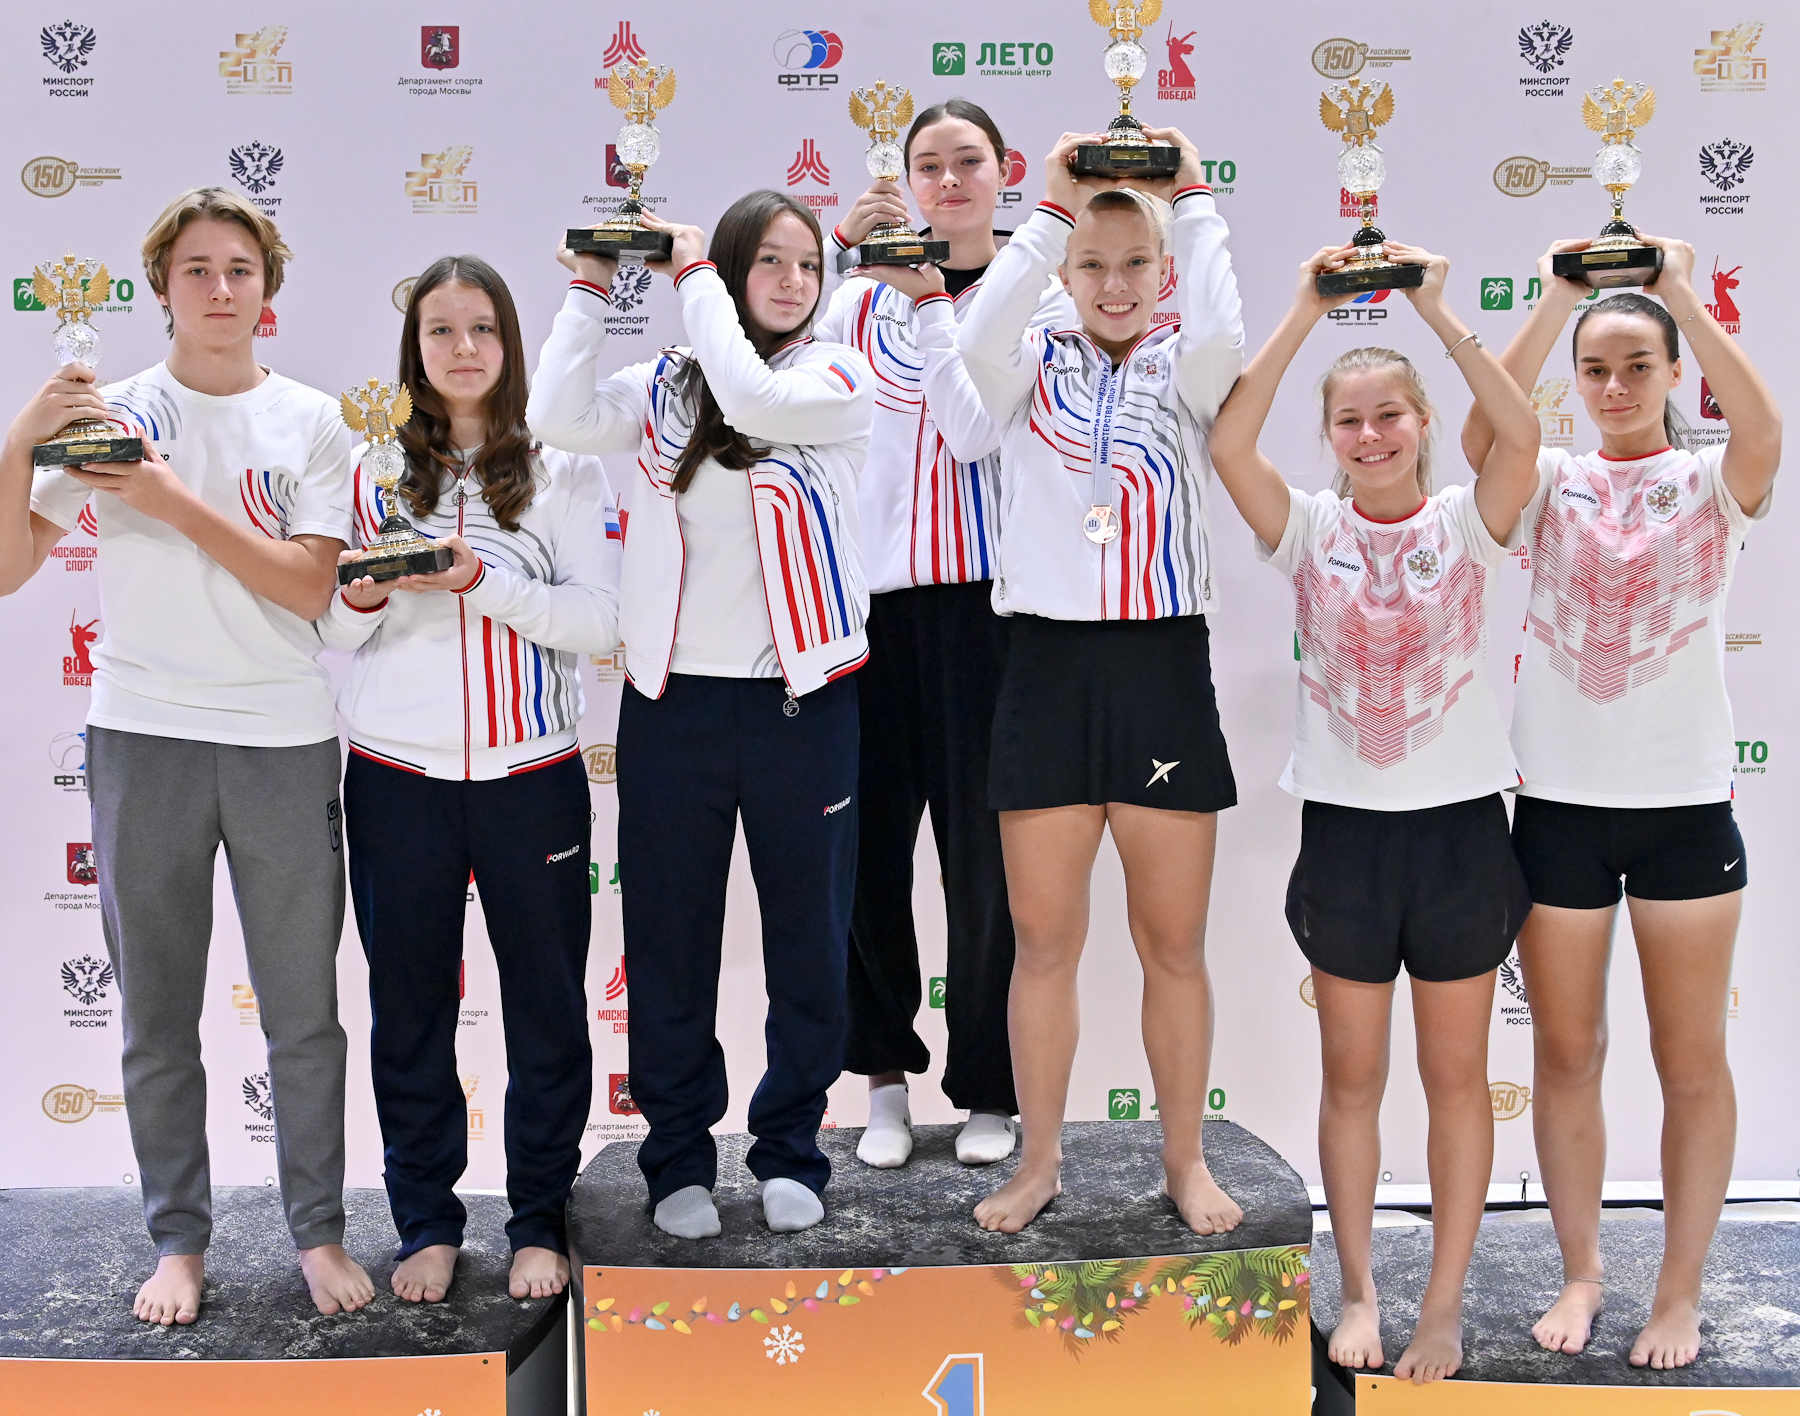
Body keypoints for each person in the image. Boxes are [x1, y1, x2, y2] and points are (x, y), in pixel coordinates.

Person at [0, 188, 372, 1323]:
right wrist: (19, 441)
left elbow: (308, 588)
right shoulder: (109, 413)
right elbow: (9, 569)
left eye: (240, 270)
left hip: (280, 739)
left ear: (268, 289)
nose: (220, 289)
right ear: (161, 286)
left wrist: (166, 497)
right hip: (142, 735)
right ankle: (178, 1242)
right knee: (156, 1016)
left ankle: (317, 1231)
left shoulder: (313, 420)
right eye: (198, 270)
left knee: (303, 1015)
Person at [1209, 244, 1542, 1383]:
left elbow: (1522, 437)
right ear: (1331, 436)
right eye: (1348, 421)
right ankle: (1356, 1287)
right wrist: (1309, 306)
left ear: (1423, 423)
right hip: (1347, 839)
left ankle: (1441, 1306)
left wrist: (1439, 310)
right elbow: (1229, 445)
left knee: (1455, 1080)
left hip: (1460, 835)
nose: (1370, 435)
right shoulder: (1308, 528)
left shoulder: (1466, 521)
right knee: (1351, 1079)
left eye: (1390, 415)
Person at [528, 194, 873, 1240]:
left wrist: (692, 282)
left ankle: (791, 1148)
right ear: (731, 268)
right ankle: (676, 1156)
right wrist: (590, 288)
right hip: (673, 709)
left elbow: (753, 394)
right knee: (670, 944)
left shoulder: (835, 377)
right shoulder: (666, 387)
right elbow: (556, 416)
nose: (793, 281)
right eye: (768, 261)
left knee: (807, 944)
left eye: (807, 264)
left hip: (801, 707)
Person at [1462, 236, 1781, 1370]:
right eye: (1595, 370)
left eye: (1639, 366)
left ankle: (1679, 1294)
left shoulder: (1709, 481)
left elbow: (1763, 430)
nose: (1615, 387)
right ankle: (1583, 1271)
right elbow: (1481, 438)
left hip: (1685, 810)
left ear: (1672, 371)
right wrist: (1558, 299)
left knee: (1690, 1062)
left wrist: (1678, 291)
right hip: (1557, 812)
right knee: (1567, 1054)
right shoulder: (1546, 476)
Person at [954, 128, 1243, 1235]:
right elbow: (973, 335)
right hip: (1045, 668)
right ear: (1065, 270)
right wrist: (1046, 211)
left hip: (1160, 665)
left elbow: (1222, 328)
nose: (1114, 284)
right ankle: (1038, 1164)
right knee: (1042, 944)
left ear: (1163, 272)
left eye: (1135, 264)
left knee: (1174, 945)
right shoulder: (1025, 361)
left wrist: (1196, 195)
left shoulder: (1191, 368)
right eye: (1092, 263)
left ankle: (1186, 1160)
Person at [318, 256, 621, 1303]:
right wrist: (364, 593)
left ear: (510, 344)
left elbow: (599, 622)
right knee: (408, 1013)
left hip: (531, 777)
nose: (462, 348)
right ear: (414, 350)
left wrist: (480, 579)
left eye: (481, 328)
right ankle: (427, 1224)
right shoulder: (368, 466)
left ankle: (538, 1217)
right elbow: (326, 625)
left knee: (547, 1010)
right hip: (395, 776)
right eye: (440, 330)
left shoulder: (562, 468)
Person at [814, 98, 1073, 1170]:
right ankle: (881, 1079)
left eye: (968, 160)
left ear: (1005, 170)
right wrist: (841, 256)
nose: (950, 180)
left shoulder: (1040, 294)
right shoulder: (856, 301)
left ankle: (989, 1089)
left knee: (985, 864)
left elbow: (989, 434)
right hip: (870, 612)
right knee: (867, 856)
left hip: (988, 614)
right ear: (908, 182)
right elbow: (796, 399)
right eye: (930, 165)